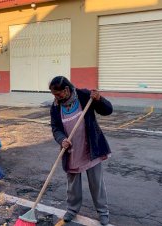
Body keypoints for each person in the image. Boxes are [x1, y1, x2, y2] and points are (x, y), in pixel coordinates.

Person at [49, 76, 112, 225]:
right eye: (53, 95)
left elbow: (108, 110)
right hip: (71, 151)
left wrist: (99, 99)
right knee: (73, 185)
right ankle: (72, 209)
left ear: (66, 90)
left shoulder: (84, 96)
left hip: (91, 148)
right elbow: (55, 128)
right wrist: (61, 139)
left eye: (57, 94)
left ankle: (103, 212)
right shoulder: (56, 106)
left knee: (96, 183)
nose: (56, 98)